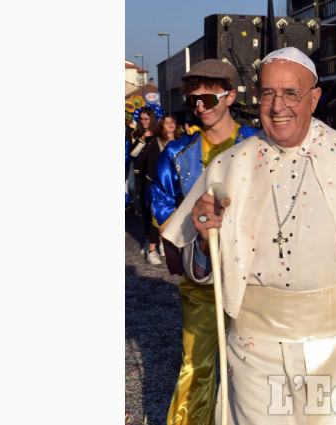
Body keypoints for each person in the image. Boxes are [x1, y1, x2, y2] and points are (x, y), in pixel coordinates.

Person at [161, 47, 336, 425]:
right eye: (267, 93)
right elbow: (196, 271)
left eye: (290, 94)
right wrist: (203, 241)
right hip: (254, 354)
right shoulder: (228, 166)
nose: (277, 106)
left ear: (314, 98)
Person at [147, 59, 259, 425]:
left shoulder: (258, 145)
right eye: (193, 99)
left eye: (208, 99)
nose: (199, 106)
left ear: (229, 96)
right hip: (200, 279)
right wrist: (172, 249)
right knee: (197, 364)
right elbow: (162, 203)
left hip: (255, 278)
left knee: (253, 367)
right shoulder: (176, 154)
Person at [143, 115, 185, 262]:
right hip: (159, 187)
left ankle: (164, 245)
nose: (170, 125)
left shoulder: (181, 142)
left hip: (177, 188)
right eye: (166, 123)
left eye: (172, 122)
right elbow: (152, 167)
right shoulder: (157, 143)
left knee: (174, 218)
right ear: (161, 127)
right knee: (158, 218)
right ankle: (151, 251)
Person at [130, 106, 161, 264]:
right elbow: (132, 153)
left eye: (146, 119)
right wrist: (143, 138)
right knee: (145, 210)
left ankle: (158, 241)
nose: (143, 122)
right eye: (141, 119)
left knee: (157, 210)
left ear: (152, 119)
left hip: (156, 177)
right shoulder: (136, 134)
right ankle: (148, 240)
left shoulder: (158, 134)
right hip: (140, 177)